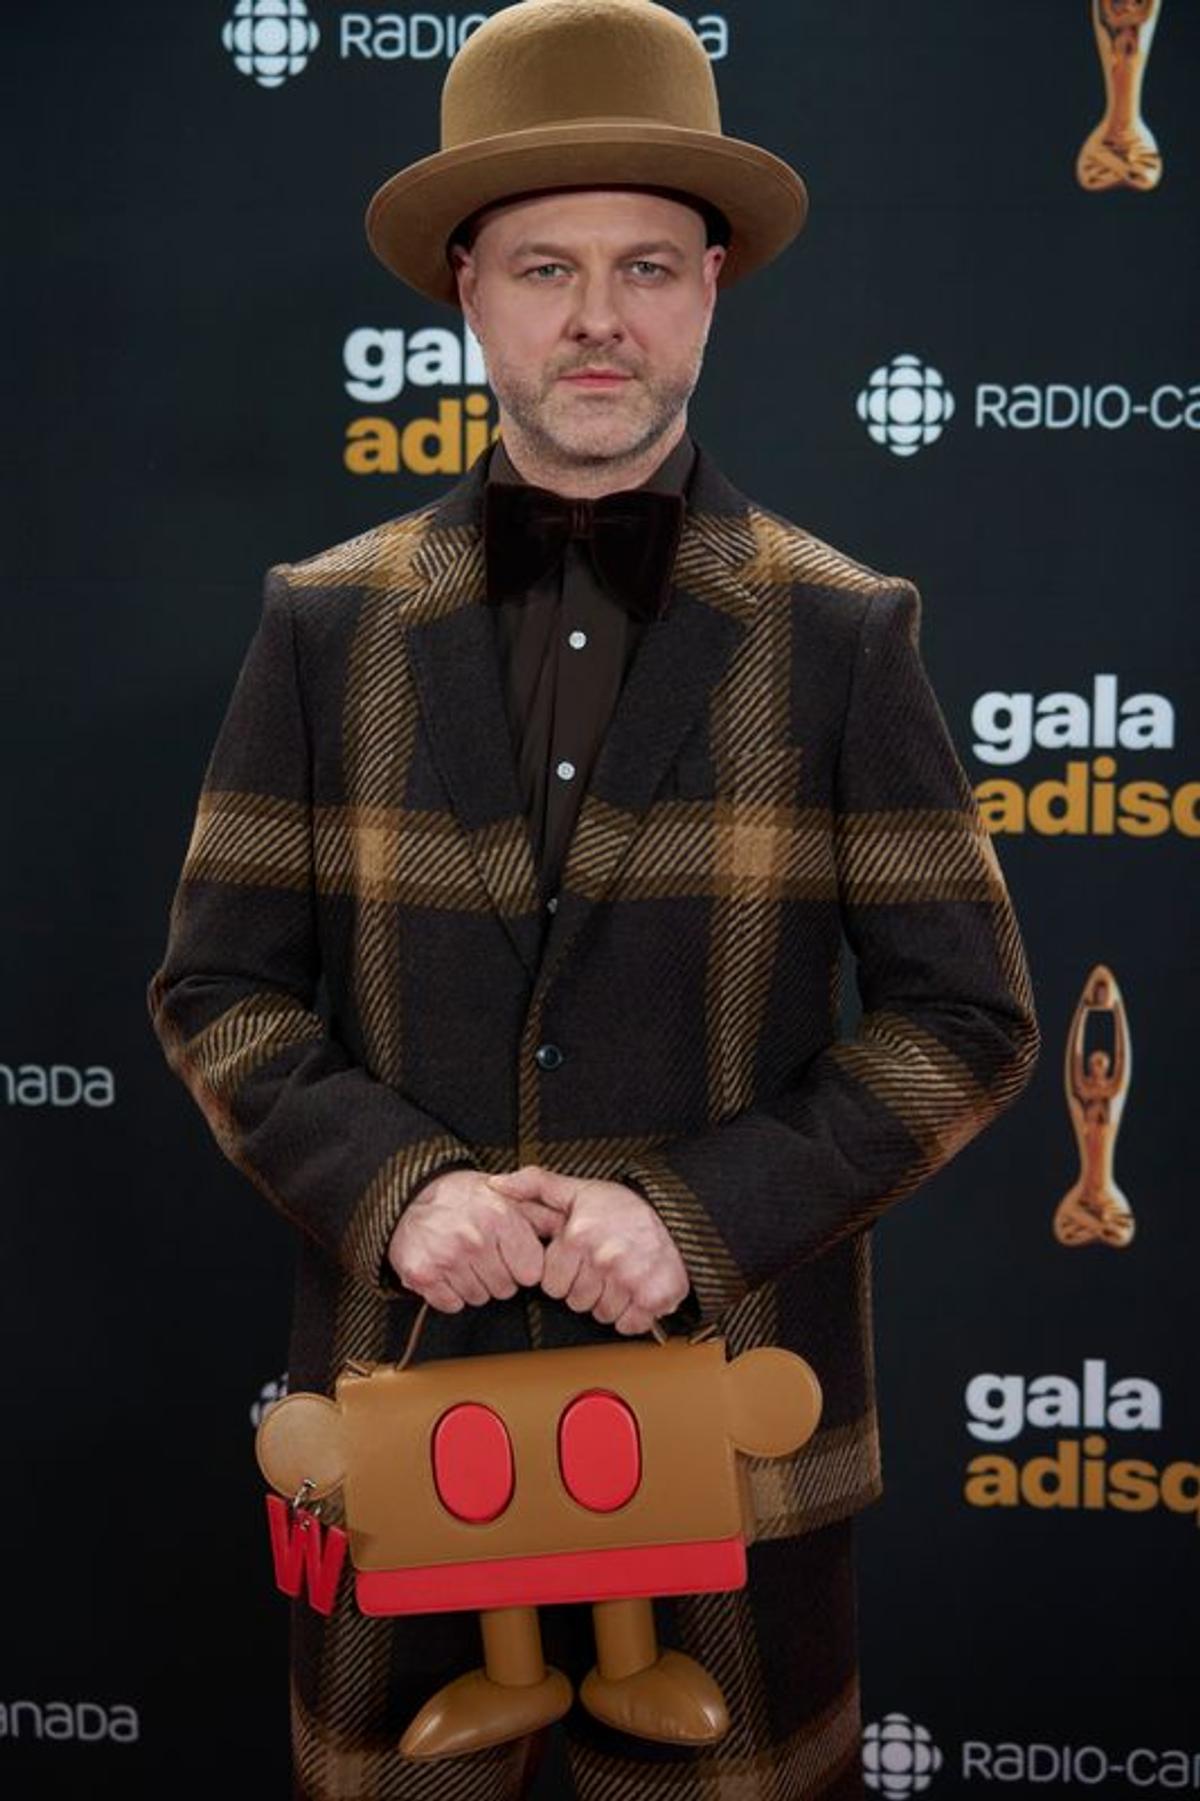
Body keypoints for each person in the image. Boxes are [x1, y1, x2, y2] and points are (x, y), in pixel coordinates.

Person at [146, 1, 1040, 1796]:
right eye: (545, 268)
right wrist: (401, 1189)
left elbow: (968, 1019)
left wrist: (691, 1218)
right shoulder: (320, 623)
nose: (597, 319)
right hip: (406, 1411)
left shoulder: (844, 629)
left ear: (711, 287)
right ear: (466, 290)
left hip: (731, 1448)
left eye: (644, 267)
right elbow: (220, 991)